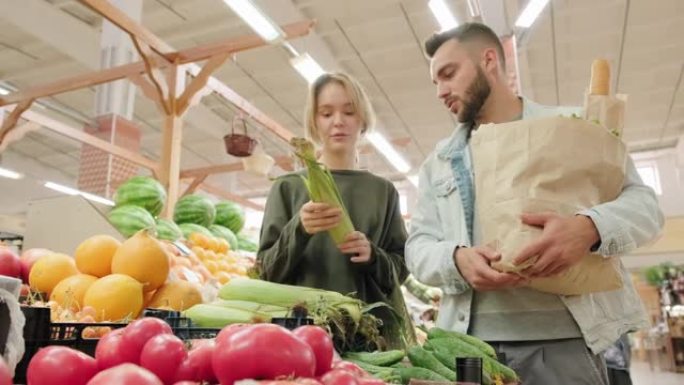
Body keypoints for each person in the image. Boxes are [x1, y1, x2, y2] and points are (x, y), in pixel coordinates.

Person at [405, 22, 664, 385]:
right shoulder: (440, 162)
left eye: (448, 74)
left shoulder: (571, 126)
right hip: (468, 348)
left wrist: (589, 227)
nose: (440, 91)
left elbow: (645, 205)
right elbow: (417, 247)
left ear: (489, 60)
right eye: (435, 82)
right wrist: (456, 259)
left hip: (566, 342)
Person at [257, 72, 410, 347]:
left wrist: (373, 255)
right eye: (326, 113)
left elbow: (400, 270)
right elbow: (265, 272)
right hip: (298, 338)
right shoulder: (287, 187)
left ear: (362, 118)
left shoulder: (383, 192)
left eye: (349, 112)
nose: (338, 121)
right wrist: (298, 230)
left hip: (368, 340)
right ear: (314, 122)